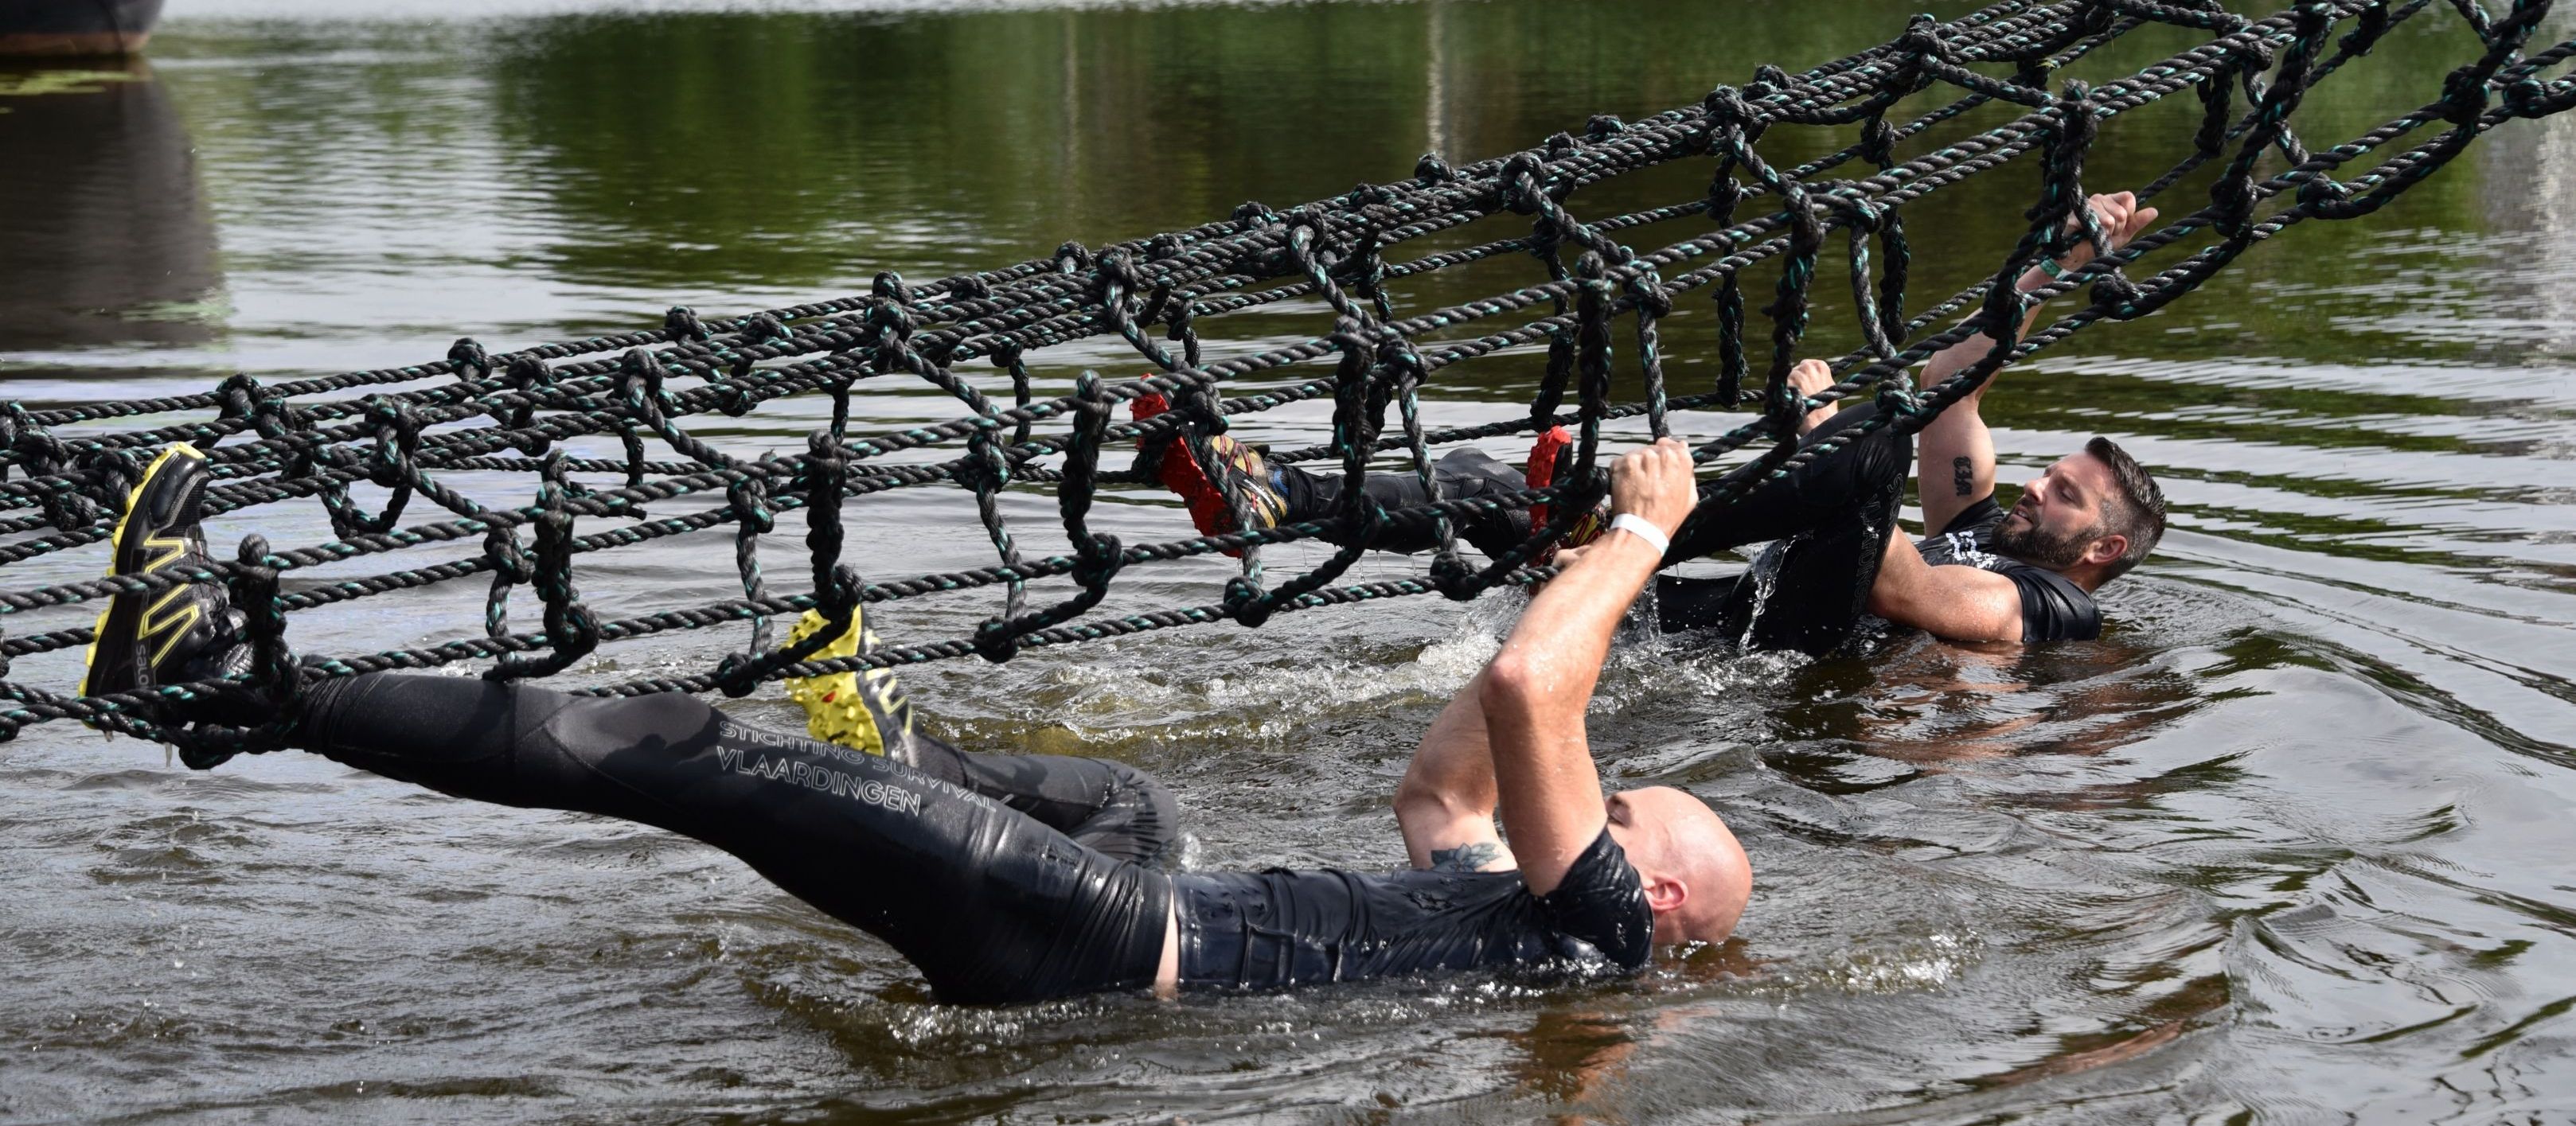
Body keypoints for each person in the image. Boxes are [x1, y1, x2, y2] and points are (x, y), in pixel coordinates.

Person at [79, 436, 1751, 1005]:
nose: (1604, 798)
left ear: (1654, 888)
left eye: (1628, 810)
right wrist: (1553, 559)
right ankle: (896, 758)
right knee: (1138, 803)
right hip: (1139, 897)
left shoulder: (1595, 930)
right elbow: (1463, 765)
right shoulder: (1510, 900)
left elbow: (1537, 692)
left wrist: (1639, 540)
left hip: (1096, 946)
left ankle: (228, 683)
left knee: (699, 757)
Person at [1142, 192, 2171, 656]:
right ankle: (1272, 495)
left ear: (2104, 549)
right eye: (2050, 474)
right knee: (1498, 492)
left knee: (1874, 442)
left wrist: (1820, 433)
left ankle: (1627, 528)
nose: (2036, 486)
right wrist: (2054, 267)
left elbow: (1912, 594)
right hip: (1721, 616)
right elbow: (1956, 388)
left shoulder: (2051, 610)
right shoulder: (1987, 521)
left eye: (2064, 495)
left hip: (1807, 645)